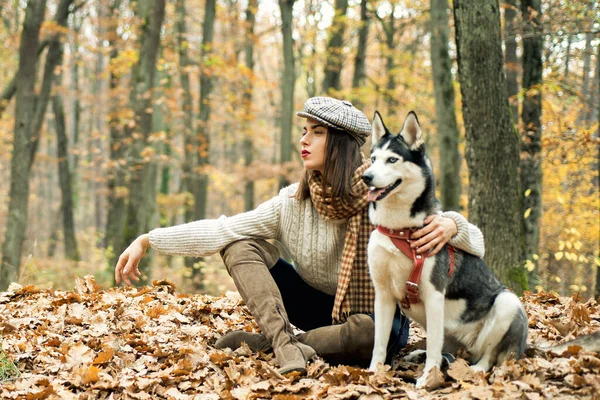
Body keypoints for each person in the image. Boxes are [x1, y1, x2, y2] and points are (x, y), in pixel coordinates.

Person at [115, 97, 485, 375]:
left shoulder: (384, 195)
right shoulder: (289, 203)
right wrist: (149, 238)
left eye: (317, 132)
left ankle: (273, 346)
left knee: (367, 333)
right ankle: (283, 344)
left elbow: (475, 242)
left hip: (374, 320)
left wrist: (452, 224)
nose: (304, 140)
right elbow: (222, 229)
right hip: (316, 308)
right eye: (304, 131)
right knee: (240, 243)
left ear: (340, 143)